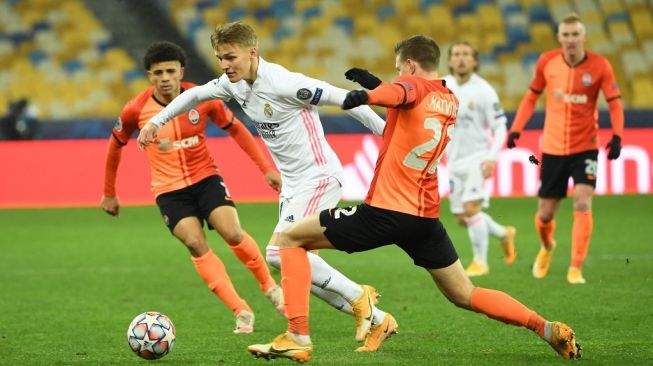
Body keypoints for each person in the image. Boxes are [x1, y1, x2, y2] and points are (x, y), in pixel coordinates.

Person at [247, 35, 582, 363]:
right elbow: (408, 100)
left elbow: (401, 92)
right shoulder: (449, 98)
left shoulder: (411, 87)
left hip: (384, 212)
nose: (396, 75)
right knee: (464, 294)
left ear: (410, 65)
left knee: (288, 241)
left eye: (398, 68)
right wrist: (377, 83)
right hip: (424, 218)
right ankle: (546, 328)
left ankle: (297, 337)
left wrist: (366, 94)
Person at [136, 23, 395, 351]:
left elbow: (348, 100)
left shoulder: (285, 83)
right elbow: (195, 94)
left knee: (278, 252)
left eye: (231, 57)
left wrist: (389, 137)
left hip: (318, 177)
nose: (225, 65)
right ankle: (379, 319)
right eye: (220, 58)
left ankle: (359, 297)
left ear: (252, 52)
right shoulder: (234, 84)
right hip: (292, 186)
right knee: (296, 263)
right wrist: (157, 121)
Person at [101, 41, 285, 334]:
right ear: (149, 75)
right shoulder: (136, 109)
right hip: (169, 191)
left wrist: (265, 169)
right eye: (157, 72)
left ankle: (270, 288)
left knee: (232, 232)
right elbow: (115, 146)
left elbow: (236, 128)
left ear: (180, 71)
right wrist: (109, 192)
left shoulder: (204, 97)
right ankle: (241, 310)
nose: (164, 78)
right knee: (196, 243)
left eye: (170, 71)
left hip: (205, 178)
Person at [507, 13, 624, 284]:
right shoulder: (547, 61)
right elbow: (531, 96)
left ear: (584, 36)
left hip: (586, 147)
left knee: (583, 201)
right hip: (552, 148)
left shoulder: (600, 66)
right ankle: (547, 247)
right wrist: (516, 128)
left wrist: (617, 135)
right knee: (546, 212)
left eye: (576, 34)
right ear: (559, 38)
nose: (571, 39)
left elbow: (615, 102)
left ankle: (575, 267)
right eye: (566, 35)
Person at [442, 41, 516, 277]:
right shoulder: (442, 86)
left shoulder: (484, 90)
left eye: (466, 54)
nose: (461, 58)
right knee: (462, 217)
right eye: (456, 54)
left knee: (470, 208)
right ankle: (504, 233)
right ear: (450, 60)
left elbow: (501, 126)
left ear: (475, 61)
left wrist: (492, 158)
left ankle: (480, 262)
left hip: (478, 158)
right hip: (453, 161)